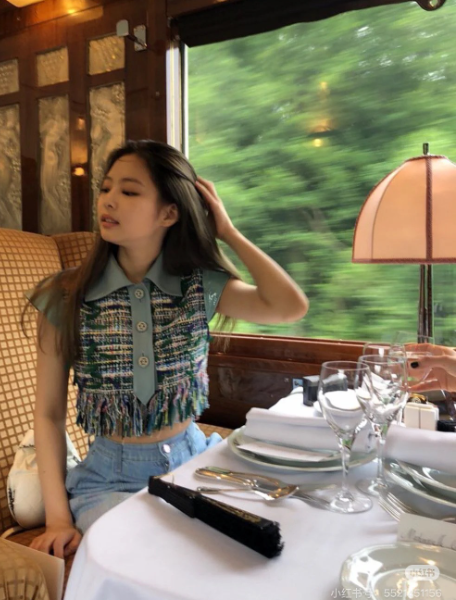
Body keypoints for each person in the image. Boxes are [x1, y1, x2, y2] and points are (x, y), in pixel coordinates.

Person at [24, 140, 308, 558]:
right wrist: (58, 520)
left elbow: (288, 307)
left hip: (197, 462)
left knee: (271, 539)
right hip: (110, 480)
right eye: (105, 188)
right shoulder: (66, 295)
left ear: (169, 213)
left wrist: (228, 233)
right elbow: (48, 414)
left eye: (129, 191)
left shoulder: (198, 286)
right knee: (162, 557)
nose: (109, 200)